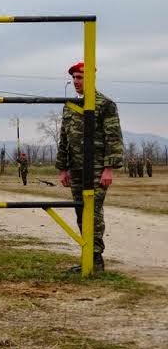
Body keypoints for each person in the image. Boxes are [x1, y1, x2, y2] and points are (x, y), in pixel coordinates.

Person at [56, 61, 123, 273]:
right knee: (79, 211)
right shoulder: (69, 105)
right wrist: (63, 168)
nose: (76, 82)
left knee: (92, 211)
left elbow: (113, 137)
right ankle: (88, 255)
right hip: (75, 168)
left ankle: (95, 258)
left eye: (80, 77)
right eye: (74, 78)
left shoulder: (105, 104)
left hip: (96, 168)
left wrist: (109, 168)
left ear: (91, 78)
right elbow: (64, 139)